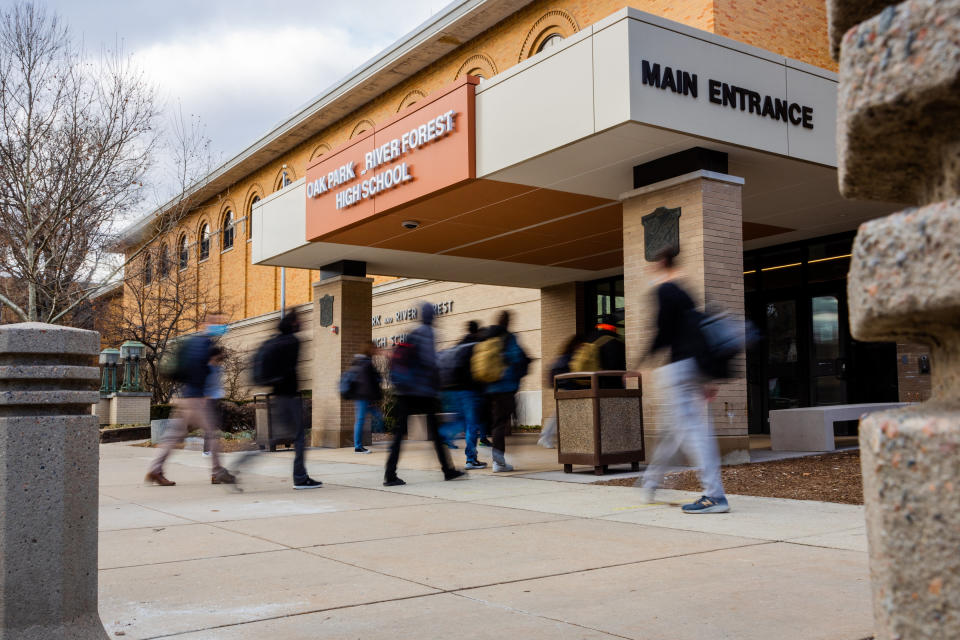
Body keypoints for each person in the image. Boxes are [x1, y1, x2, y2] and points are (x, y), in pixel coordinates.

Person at [626, 249, 729, 514]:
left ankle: (714, 495)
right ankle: (650, 481)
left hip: (679, 370)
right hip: (693, 368)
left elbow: (662, 332)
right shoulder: (687, 294)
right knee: (672, 431)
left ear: (661, 263)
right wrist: (708, 377)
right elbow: (699, 334)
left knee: (693, 432)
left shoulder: (665, 291)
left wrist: (639, 363)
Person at [146, 312, 236, 486]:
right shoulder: (204, 344)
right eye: (217, 322)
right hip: (196, 398)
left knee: (173, 435)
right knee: (212, 433)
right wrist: (201, 393)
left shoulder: (193, 342)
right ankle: (217, 471)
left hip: (186, 396)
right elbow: (198, 369)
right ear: (207, 324)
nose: (220, 326)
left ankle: (155, 469)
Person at [384, 302, 465, 486]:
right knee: (435, 433)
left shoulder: (413, 332)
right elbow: (430, 362)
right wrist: (438, 385)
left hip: (404, 391)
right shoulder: (428, 333)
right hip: (422, 392)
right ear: (432, 316)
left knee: (399, 435)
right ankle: (448, 470)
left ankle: (390, 474)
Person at [269, 308, 322, 489]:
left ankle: (238, 466)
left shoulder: (276, 341)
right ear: (293, 323)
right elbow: (290, 370)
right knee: (299, 437)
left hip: (278, 396)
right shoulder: (292, 342)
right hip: (289, 397)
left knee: (274, 439)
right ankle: (300, 478)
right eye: (300, 321)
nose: (303, 323)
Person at [483, 310, 529, 472]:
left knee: (497, 423)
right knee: (501, 424)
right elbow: (516, 358)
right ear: (508, 322)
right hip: (505, 387)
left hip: (489, 387)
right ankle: (499, 461)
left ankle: (498, 458)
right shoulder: (508, 337)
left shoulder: (487, 336)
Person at [444, 320, 487, 469]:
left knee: (462, 422)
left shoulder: (459, 344)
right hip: (470, 390)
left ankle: (443, 434)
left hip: (455, 390)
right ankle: (470, 459)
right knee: (471, 425)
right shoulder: (476, 346)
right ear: (477, 331)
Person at [538, 334, 583, 448]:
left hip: (565, 388)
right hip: (569, 388)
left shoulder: (564, 355)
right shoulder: (570, 357)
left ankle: (545, 435)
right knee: (560, 414)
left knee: (558, 414)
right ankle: (546, 436)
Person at [350, 341, 383, 454]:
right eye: (374, 348)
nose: (376, 350)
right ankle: (358, 447)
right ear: (369, 349)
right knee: (361, 420)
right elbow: (368, 382)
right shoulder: (366, 363)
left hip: (361, 395)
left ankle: (358, 445)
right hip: (364, 396)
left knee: (369, 417)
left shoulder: (359, 361)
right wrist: (372, 398)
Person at [202, 346, 226, 457]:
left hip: (216, 398)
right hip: (207, 399)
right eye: (218, 355)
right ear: (213, 356)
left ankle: (212, 448)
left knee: (216, 424)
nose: (221, 357)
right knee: (209, 425)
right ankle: (206, 450)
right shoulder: (207, 368)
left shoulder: (219, 368)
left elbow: (218, 384)